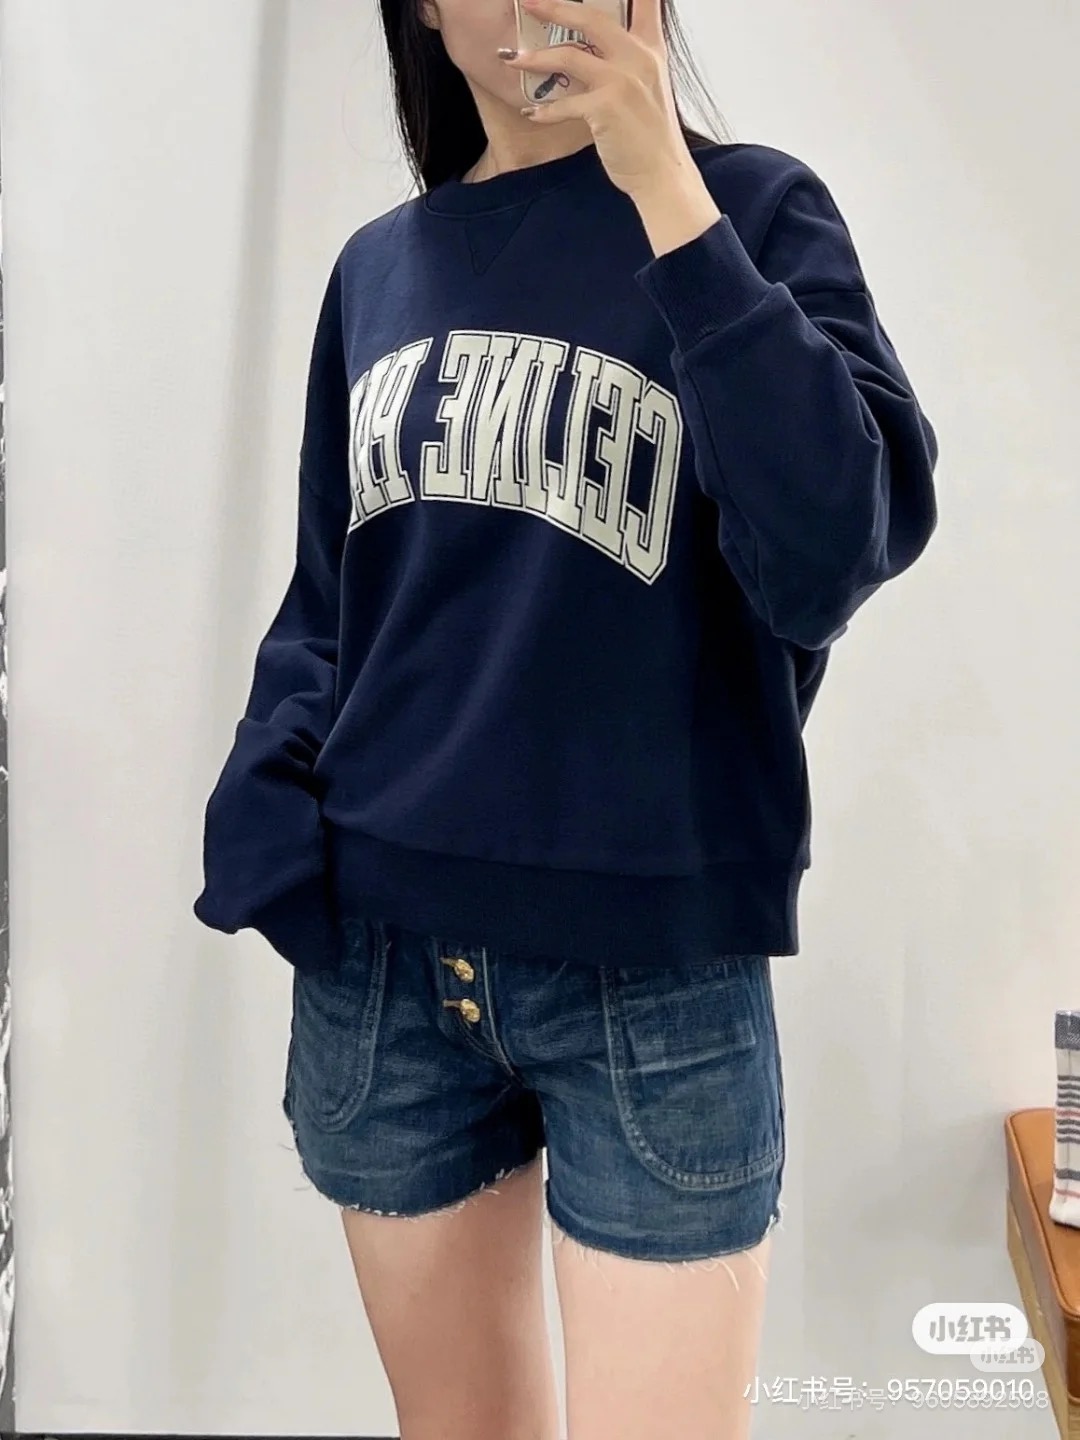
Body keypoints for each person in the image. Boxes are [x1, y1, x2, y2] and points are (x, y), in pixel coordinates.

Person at [193, 0, 940, 1435]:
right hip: (385, 974)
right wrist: (269, 803)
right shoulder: (379, 268)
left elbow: (832, 547)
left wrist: (665, 190)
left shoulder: (753, 214)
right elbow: (331, 602)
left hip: (653, 974)